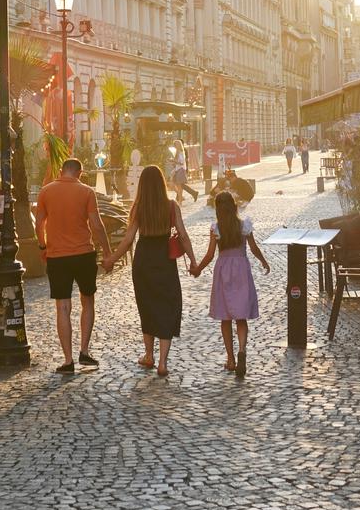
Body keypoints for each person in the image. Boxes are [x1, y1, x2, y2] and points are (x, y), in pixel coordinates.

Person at [105, 165, 196, 377]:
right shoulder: (172, 206)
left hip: (144, 260)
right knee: (166, 306)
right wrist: (193, 261)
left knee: (147, 307)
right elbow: (183, 235)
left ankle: (149, 355)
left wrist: (111, 260)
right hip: (164, 259)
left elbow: (128, 240)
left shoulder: (139, 208)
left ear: (143, 186)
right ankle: (163, 363)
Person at [34, 158, 113, 374]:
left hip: (57, 256)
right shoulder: (87, 192)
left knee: (63, 307)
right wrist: (107, 252)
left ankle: (68, 360)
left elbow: (39, 222)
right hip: (83, 254)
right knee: (87, 301)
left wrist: (43, 246)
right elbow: (96, 225)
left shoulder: (46, 192)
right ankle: (84, 351)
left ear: (61, 171)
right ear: (80, 172)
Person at [192, 191, 269, 377]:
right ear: (235, 206)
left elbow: (210, 255)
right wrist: (263, 261)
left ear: (218, 209)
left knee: (225, 317)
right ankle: (242, 349)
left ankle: (231, 359)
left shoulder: (216, 229)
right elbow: (253, 247)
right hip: (241, 269)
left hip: (223, 270)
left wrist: (198, 269)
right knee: (241, 317)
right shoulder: (244, 226)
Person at [170, 139, 199, 204]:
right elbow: (177, 163)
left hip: (180, 170)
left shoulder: (180, 152)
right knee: (180, 186)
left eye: (175, 145)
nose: (174, 146)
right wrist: (172, 162)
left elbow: (182, 163)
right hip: (178, 170)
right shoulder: (178, 152)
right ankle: (191, 194)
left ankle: (180, 200)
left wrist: (174, 161)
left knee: (180, 186)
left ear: (178, 145)